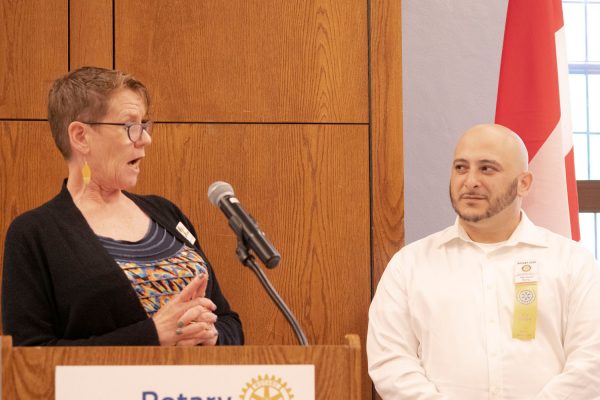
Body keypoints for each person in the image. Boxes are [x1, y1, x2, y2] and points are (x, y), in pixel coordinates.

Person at [2, 66, 243, 347]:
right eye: (130, 126)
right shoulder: (35, 233)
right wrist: (152, 336)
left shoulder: (167, 213)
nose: (145, 138)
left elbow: (228, 320)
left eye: (144, 125)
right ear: (80, 136)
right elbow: (29, 354)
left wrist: (213, 336)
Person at [367, 123, 600, 399]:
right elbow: (390, 361)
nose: (470, 181)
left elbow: (592, 362)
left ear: (524, 183)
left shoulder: (573, 263)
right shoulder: (409, 265)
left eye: (487, 168)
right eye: (461, 167)